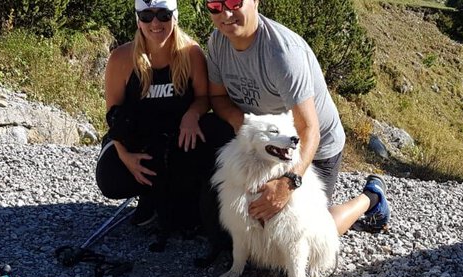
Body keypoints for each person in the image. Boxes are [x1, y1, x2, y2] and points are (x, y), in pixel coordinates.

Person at [203, 0, 391, 235]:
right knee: (254, 228)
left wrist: (287, 184)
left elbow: (309, 129)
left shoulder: (282, 54)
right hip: (267, 142)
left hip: (315, 147)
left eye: (234, 2)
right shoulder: (218, 41)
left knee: (308, 236)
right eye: (215, 5)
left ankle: (370, 197)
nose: (226, 13)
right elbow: (218, 97)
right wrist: (241, 123)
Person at [97, 0, 234, 234]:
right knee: (112, 178)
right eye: (147, 16)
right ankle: (149, 195)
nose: (155, 23)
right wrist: (125, 156)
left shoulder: (190, 52)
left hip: (177, 140)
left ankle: (182, 196)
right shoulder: (122, 58)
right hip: (138, 140)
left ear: (175, 16)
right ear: (138, 20)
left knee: (182, 223)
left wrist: (192, 114)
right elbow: (114, 117)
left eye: (163, 15)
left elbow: (204, 97)